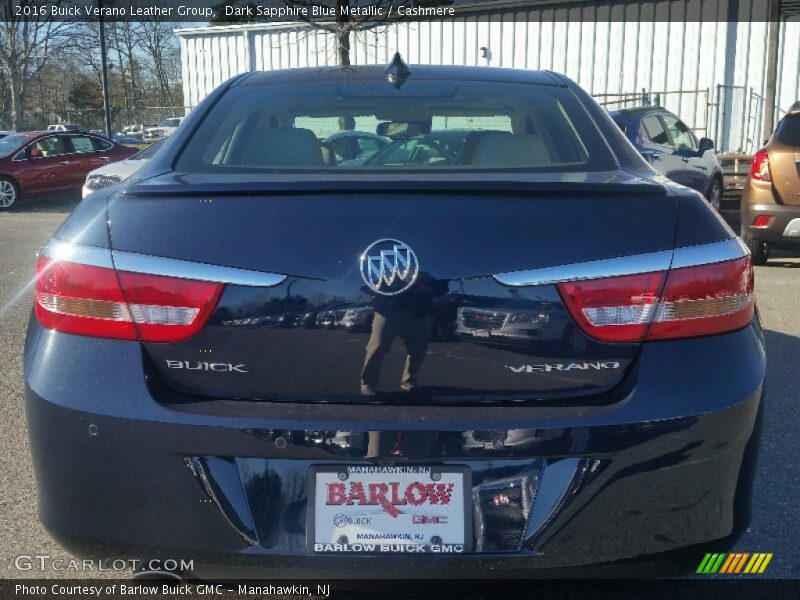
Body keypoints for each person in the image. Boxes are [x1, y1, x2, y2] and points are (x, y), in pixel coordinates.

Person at [360, 271, 449, 395]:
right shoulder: (389, 274)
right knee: (377, 347)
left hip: (418, 313)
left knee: (418, 349)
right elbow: (370, 288)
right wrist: (399, 286)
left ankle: (409, 380)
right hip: (388, 311)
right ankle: (367, 383)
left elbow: (442, 289)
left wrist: (425, 288)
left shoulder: (424, 275)